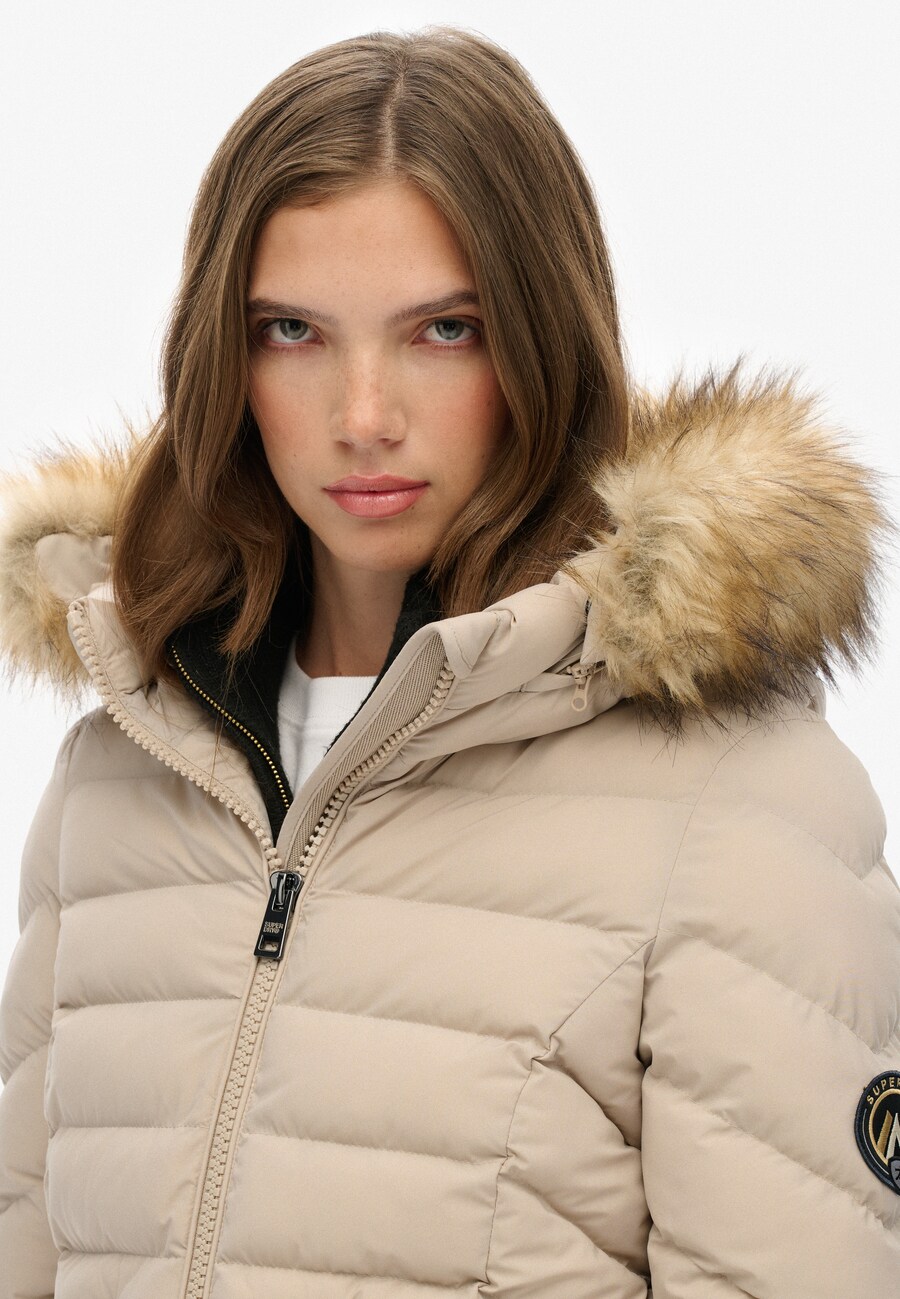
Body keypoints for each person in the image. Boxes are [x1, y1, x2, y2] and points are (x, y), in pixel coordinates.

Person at [0, 25, 898, 1298]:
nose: (363, 416)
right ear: (221, 359)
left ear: (542, 340)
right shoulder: (118, 778)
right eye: (293, 331)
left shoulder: (743, 804)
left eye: (444, 330)